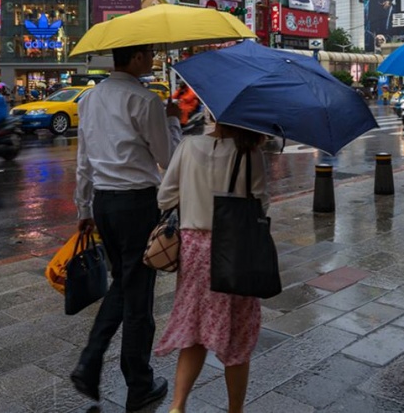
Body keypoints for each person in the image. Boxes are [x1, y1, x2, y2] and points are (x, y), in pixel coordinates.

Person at [71, 44, 181, 411]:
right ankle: (135, 380)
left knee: (126, 283)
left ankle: (96, 362)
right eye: (148, 54)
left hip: (103, 203)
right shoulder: (145, 100)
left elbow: (83, 159)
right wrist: (173, 121)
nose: (152, 59)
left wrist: (84, 205)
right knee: (138, 296)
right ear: (134, 58)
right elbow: (168, 158)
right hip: (137, 204)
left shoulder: (89, 99)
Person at [154, 123, 268, 413]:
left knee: (193, 328)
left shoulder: (188, 145)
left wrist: (193, 198)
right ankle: (234, 410)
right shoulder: (250, 152)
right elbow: (260, 205)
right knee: (239, 335)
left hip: (193, 250)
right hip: (236, 249)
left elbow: (164, 198)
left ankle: (177, 406)